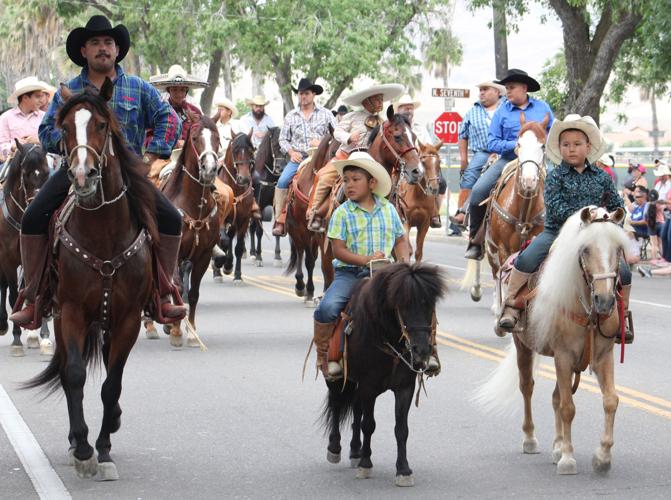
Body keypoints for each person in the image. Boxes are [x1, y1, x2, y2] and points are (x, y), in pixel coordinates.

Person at [10, 15, 185, 326]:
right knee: (33, 215)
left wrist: (153, 152)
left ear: (117, 50)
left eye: (108, 43)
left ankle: (164, 291)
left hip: (127, 176)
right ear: (84, 51)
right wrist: (71, 144)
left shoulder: (138, 88)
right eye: (95, 43)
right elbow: (47, 129)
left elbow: (170, 119)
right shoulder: (70, 90)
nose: (102, 48)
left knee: (171, 218)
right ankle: (34, 295)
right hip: (75, 170)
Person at [497, 114, 634, 343]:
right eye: (566, 145)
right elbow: (556, 207)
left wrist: (612, 217)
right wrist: (582, 217)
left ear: (588, 147)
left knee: (625, 272)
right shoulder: (554, 177)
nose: (571, 149)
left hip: (594, 235)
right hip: (556, 233)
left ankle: (622, 315)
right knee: (527, 258)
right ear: (559, 148)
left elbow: (617, 206)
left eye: (577, 144)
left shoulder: (602, 177)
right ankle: (512, 305)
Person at [310, 152, 416, 379]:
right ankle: (326, 355)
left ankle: (424, 353)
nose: (349, 185)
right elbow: (338, 251)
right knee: (328, 307)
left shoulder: (388, 209)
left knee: (417, 300)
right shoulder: (341, 213)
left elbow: (399, 239)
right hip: (350, 273)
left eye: (355, 179)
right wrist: (366, 260)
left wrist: (405, 264)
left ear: (372, 183)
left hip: (385, 273)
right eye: (346, 180)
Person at [465, 69, 554, 260]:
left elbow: (554, 136)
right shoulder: (502, 111)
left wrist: (535, 148)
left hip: (539, 160)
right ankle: (475, 240)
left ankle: (562, 237)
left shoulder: (543, 108)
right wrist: (518, 145)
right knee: (479, 191)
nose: (508, 92)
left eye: (511, 88)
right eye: (506, 88)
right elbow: (492, 142)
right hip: (509, 159)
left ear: (524, 88)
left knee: (560, 189)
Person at [305, 83, 403, 233]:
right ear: (366, 102)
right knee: (323, 177)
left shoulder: (383, 122)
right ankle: (315, 213)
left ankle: (395, 212)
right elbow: (337, 132)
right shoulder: (351, 116)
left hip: (370, 161)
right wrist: (349, 137)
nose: (380, 103)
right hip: (346, 157)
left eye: (381, 100)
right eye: (377, 100)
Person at [273, 78, 336, 236]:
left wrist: (322, 142)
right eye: (301, 94)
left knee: (339, 180)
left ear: (313, 94)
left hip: (323, 157)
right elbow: (282, 139)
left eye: (306, 93)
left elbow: (338, 135)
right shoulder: (291, 116)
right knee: (282, 181)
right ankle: (280, 219)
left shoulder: (327, 114)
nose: (303, 97)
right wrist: (291, 152)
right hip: (300, 157)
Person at [451, 81, 505, 226]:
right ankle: (463, 213)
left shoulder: (508, 107)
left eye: (486, 89)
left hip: (505, 151)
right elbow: (462, 135)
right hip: (483, 152)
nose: (481, 92)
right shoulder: (472, 112)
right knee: (469, 175)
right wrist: (463, 159)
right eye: (480, 90)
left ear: (498, 92)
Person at [150, 64, 207, 147]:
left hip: (189, 157)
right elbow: (148, 138)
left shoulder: (195, 111)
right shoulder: (158, 112)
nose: (179, 94)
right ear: (169, 90)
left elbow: (202, 137)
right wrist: (170, 143)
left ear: (186, 91)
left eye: (182, 90)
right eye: (174, 89)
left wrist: (187, 143)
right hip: (164, 157)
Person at [0, 76, 46, 163]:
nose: (41, 101)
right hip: (13, 163)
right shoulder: (5, 118)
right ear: (25, 98)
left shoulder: (45, 117)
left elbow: (53, 144)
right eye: (37, 97)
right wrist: (13, 146)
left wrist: (38, 141)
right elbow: (1, 145)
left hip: (42, 162)